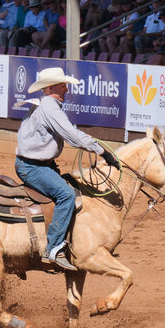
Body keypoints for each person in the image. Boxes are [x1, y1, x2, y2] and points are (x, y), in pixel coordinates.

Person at [15, 68, 120, 271]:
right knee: (66, 195)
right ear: (52, 87)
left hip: (35, 164)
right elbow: (71, 135)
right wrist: (102, 151)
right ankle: (53, 248)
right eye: (63, 85)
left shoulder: (43, 105)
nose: (67, 89)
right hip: (33, 167)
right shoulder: (50, 108)